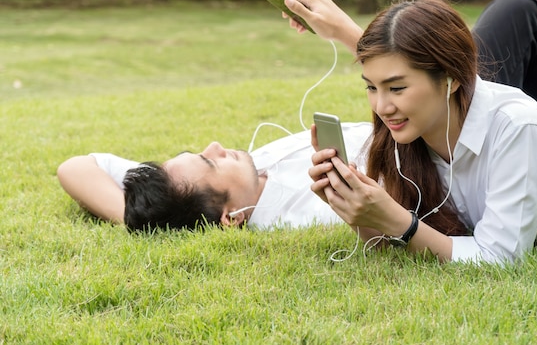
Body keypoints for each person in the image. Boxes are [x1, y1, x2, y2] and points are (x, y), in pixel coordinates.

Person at [282, 0, 537, 264]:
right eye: (371, 87)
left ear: (451, 79)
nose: (382, 107)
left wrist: (401, 223)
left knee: (516, 6)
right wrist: (355, 209)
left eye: (396, 88)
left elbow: (499, 258)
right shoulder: (409, 131)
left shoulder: (517, 128)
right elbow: (394, 241)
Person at [57, 122, 373, 231]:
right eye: (211, 163)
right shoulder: (308, 213)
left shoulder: (176, 190)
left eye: (200, 154)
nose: (217, 146)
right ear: (230, 217)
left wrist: (136, 218)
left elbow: (75, 168)